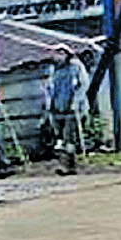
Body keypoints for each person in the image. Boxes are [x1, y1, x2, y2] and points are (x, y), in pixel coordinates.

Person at [42, 44, 90, 175]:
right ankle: (63, 164)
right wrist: (48, 105)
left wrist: (77, 101)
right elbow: (49, 88)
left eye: (61, 53)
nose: (58, 56)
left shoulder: (76, 67)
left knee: (69, 137)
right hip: (57, 108)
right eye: (57, 53)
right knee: (60, 139)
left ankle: (69, 166)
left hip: (72, 108)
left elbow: (84, 84)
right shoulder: (53, 70)